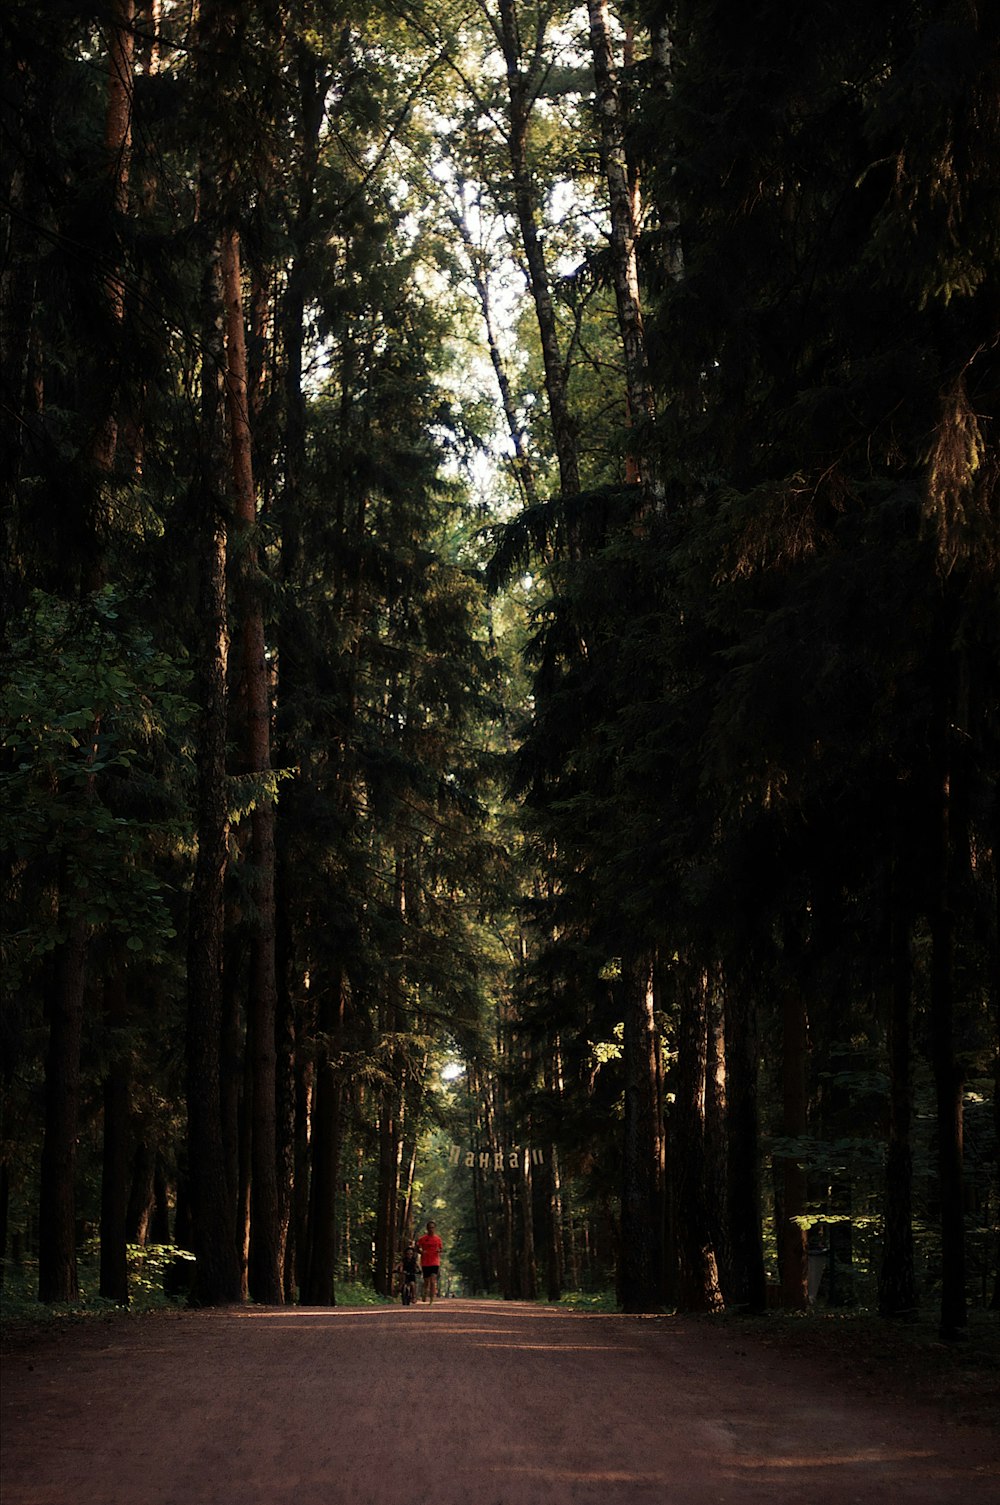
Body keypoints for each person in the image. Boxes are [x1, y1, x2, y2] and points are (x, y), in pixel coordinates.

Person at [415, 1219, 443, 1305]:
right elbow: (416, 1247)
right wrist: (421, 1252)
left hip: (435, 1262)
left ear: (435, 1228)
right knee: (426, 1281)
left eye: (433, 1228)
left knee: (433, 1280)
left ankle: (431, 1299)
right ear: (427, 1229)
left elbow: (441, 1249)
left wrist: (439, 1251)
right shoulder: (423, 1239)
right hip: (425, 1262)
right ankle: (424, 1294)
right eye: (429, 1228)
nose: (431, 1229)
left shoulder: (438, 1239)